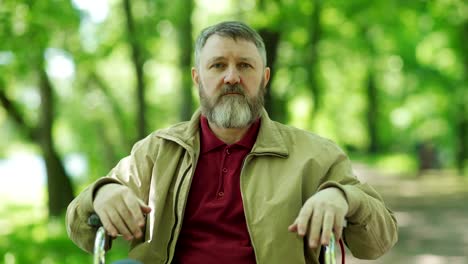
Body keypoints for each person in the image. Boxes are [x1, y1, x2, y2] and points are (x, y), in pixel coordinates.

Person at [66, 21, 398, 264]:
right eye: (218, 65)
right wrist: (102, 193)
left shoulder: (315, 155)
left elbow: (378, 243)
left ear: (264, 78)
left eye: (244, 66)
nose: (232, 77)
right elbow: (79, 227)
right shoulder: (157, 151)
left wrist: (343, 197)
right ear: (198, 77)